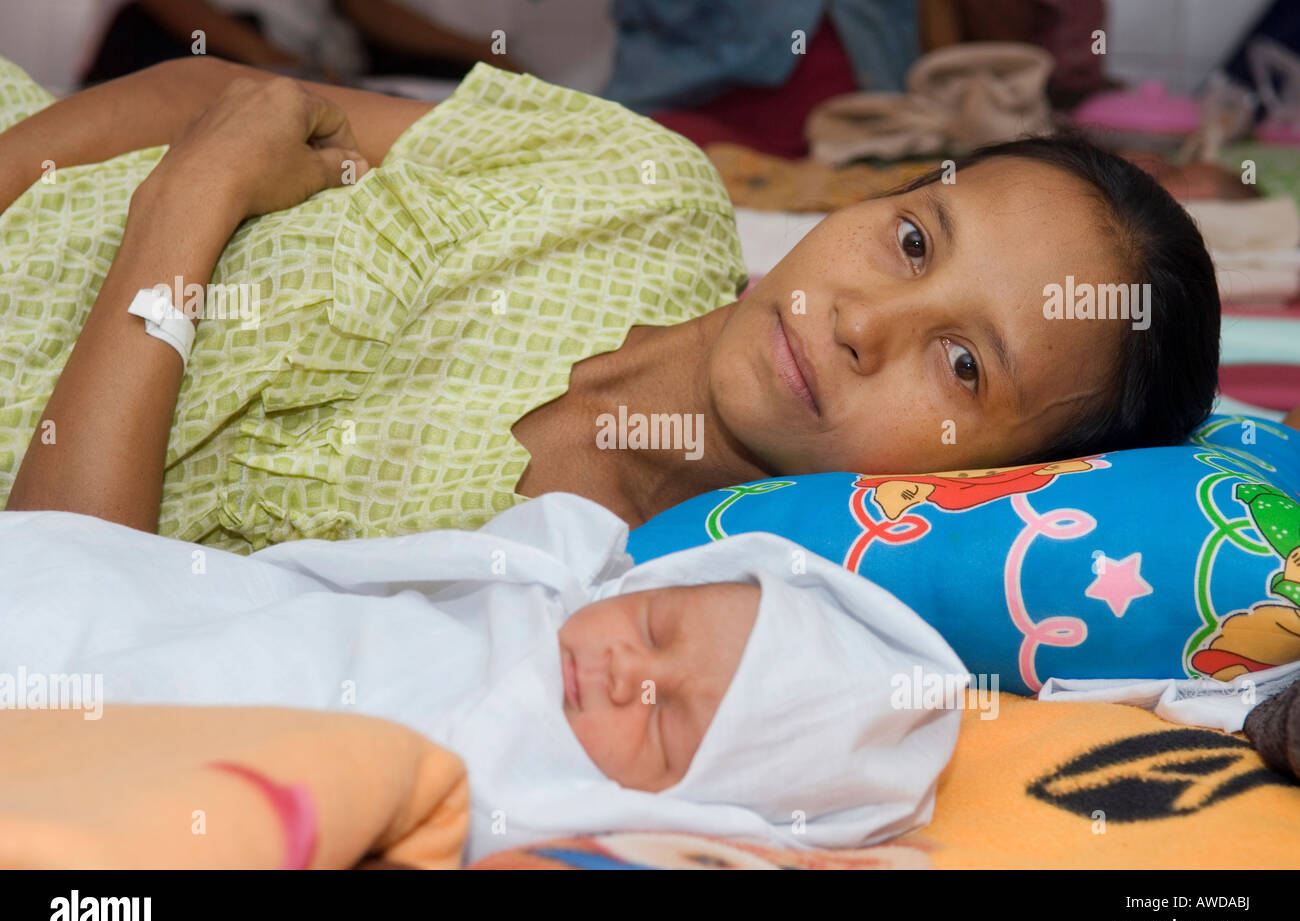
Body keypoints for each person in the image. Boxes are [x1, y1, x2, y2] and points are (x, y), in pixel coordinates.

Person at [0, 54, 1227, 553]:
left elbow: (62, 586)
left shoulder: (554, 582)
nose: (865, 321)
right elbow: (228, 92)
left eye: (962, 368)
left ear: (991, 480)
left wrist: (193, 205)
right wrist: (214, 152)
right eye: (911, 240)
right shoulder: (638, 187)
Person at [0, 493, 967, 860]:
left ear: (694, 804)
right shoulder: (546, 591)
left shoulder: (550, 792)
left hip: (214, 745)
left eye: (666, 726)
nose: (628, 672)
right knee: (71, 592)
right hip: (199, 613)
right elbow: (549, 535)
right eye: (657, 625)